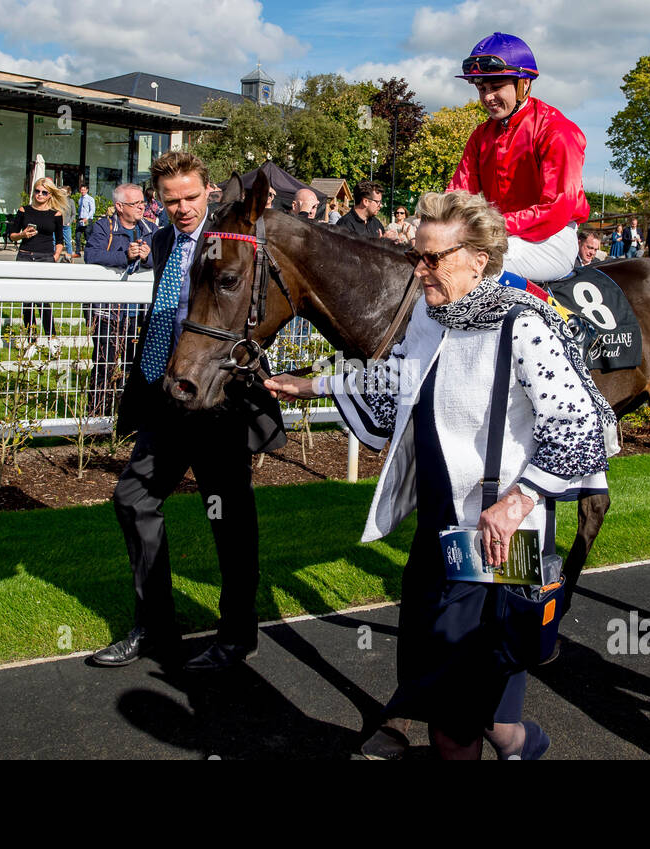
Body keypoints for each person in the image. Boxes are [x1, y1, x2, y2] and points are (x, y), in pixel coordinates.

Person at [265, 190, 614, 759]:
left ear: (479, 258)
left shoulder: (525, 325)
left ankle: (504, 736)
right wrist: (314, 386)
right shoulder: (429, 317)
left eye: (433, 258)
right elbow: (401, 381)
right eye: (416, 256)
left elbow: (579, 425)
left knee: (454, 715)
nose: (419, 269)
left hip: (502, 535)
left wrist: (519, 501)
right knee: (465, 684)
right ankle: (517, 739)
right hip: (438, 529)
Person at [97, 150, 286, 672]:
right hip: (167, 395)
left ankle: (236, 636)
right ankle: (156, 627)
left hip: (219, 399)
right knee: (133, 499)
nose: (181, 208)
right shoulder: (161, 240)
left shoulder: (233, 238)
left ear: (209, 192)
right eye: (170, 199)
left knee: (227, 518)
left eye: (190, 197)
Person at [447, 32, 589, 282]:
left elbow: (556, 208)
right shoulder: (481, 136)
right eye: (482, 88)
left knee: (477, 266)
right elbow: (459, 193)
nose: (487, 97)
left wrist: (492, 224)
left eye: (496, 87)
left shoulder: (557, 131)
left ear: (523, 83)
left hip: (551, 238)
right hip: (497, 235)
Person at [82, 183, 155, 416]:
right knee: (105, 362)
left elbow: (162, 259)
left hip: (139, 311)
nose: (142, 207)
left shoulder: (151, 229)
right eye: (136, 203)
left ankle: (128, 416)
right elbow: (92, 255)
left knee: (134, 366)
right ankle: (97, 416)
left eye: (143, 202)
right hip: (108, 308)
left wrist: (148, 257)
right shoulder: (104, 227)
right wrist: (125, 255)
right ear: (119, 206)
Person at [8, 177, 66, 343]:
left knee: (44, 300)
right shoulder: (24, 210)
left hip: (46, 258)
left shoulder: (56, 214)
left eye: (44, 192)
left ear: (49, 195)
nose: (39, 195)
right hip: (25, 255)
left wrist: (55, 256)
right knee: (27, 301)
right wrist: (23, 235)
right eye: (37, 191)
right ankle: (30, 340)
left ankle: (51, 338)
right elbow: (12, 235)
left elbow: (60, 240)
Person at [76, 184, 95, 252]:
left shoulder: (90, 199)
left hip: (87, 219)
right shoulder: (80, 199)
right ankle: (77, 252)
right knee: (77, 235)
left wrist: (86, 218)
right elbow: (80, 209)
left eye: (84, 190)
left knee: (87, 236)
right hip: (81, 219)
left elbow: (92, 210)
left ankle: (91, 251)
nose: (82, 191)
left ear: (87, 190)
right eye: (81, 190)